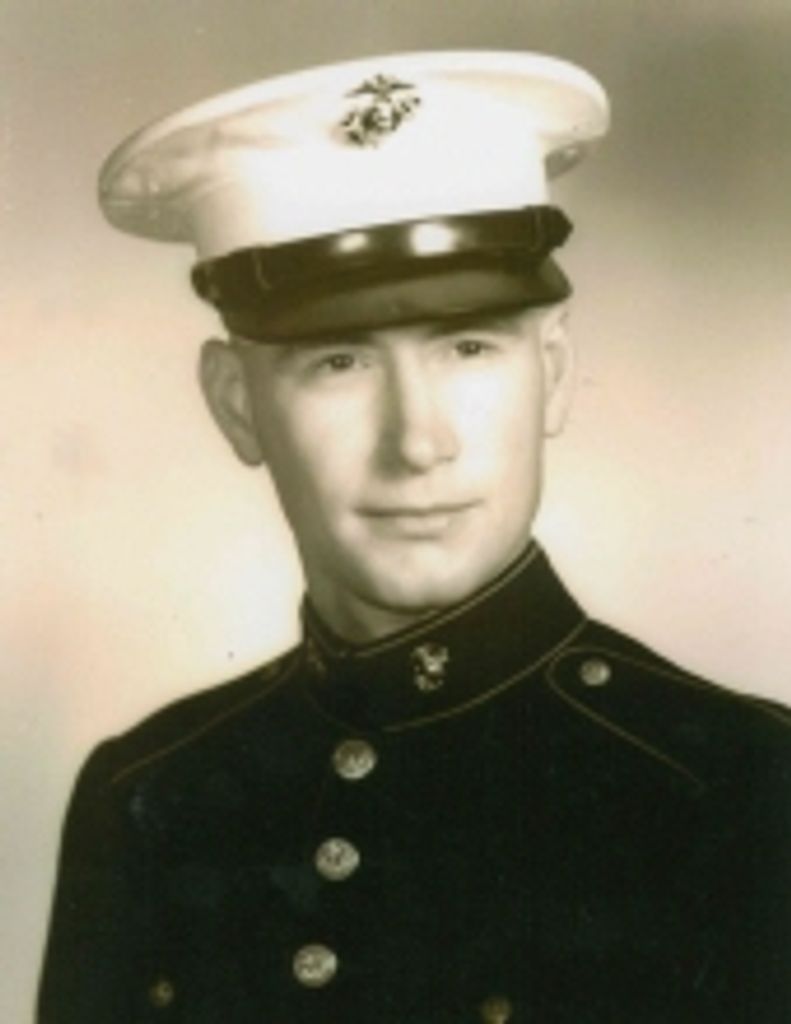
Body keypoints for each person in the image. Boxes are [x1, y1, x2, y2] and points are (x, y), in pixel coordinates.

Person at [38, 50, 791, 1023]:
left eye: (468, 348)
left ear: (552, 374)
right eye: (337, 362)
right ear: (235, 404)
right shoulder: (150, 794)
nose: (417, 442)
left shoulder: (737, 789)